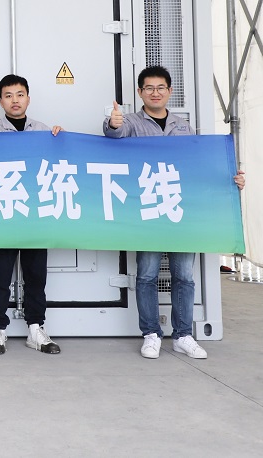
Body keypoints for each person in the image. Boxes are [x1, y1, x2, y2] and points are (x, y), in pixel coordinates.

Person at [104, 65, 245, 360]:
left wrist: (229, 179)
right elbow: (113, 135)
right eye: (149, 88)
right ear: (140, 92)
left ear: (169, 91)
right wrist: (112, 123)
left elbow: (198, 166)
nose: (155, 93)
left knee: (184, 276)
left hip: (181, 212)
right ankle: (151, 334)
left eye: (160, 88)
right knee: (147, 275)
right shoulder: (131, 123)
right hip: (147, 212)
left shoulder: (183, 127)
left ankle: (182, 335)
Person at [0, 74, 63, 356]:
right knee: (0, 276)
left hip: (35, 214)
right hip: (3, 212)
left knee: (36, 275)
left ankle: (36, 328)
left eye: (20, 94)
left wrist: (62, 139)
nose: (15, 100)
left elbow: (58, 162)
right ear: (1, 101)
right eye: (8, 95)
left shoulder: (43, 130)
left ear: (28, 98)